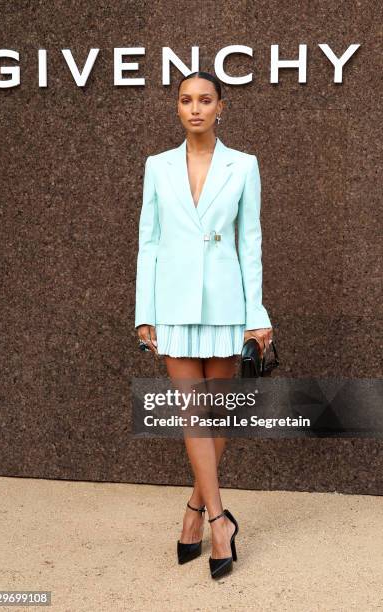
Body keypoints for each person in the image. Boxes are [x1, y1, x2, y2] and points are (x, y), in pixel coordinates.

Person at [135, 71, 273, 579]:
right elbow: (148, 243)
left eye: (205, 100)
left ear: (221, 107)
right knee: (194, 416)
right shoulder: (157, 166)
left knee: (219, 418)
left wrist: (255, 316)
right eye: (185, 100)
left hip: (226, 304)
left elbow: (250, 243)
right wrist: (143, 313)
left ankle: (192, 512)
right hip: (171, 303)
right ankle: (219, 521)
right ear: (177, 107)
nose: (195, 108)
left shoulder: (244, 166)